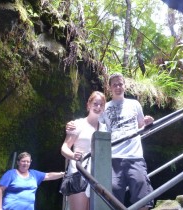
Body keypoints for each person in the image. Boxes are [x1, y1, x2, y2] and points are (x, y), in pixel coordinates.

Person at [66, 72, 154, 209]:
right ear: (110, 88)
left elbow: (141, 126)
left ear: (124, 85)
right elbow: (93, 125)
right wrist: (72, 124)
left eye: (120, 84)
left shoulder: (135, 104)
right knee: (112, 197)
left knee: (142, 193)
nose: (118, 87)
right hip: (112, 159)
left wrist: (148, 122)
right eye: (114, 85)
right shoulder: (104, 107)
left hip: (135, 156)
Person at [61, 91, 106, 210]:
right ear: (88, 105)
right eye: (95, 103)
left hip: (97, 175)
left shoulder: (105, 128)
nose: (98, 107)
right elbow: (64, 147)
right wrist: (73, 155)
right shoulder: (78, 124)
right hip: (78, 173)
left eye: (101, 104)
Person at [0, 152, 65, 210]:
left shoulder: (34, 174)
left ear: (30, 162)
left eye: (28, 161)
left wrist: (63, 174)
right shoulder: (11, 174)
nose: (25, 163)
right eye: (23, 161)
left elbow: (48, 175)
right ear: (18, 162)